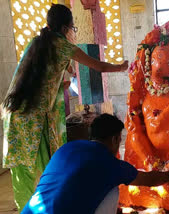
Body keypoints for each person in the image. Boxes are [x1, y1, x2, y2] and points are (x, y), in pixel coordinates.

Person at [1, 4, 128, 211]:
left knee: (27, 170)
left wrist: (61, 84)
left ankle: (31, 207)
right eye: (73, 28)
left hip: (17, 114)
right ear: (65, 28)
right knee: (42, 170)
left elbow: (34, 79)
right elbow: (99, 66)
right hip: (32, 118)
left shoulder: (37, 43)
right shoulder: (62, 45)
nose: (73, 32)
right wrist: (121, 67)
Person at [21, 113, 169, 214]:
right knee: (113, 190)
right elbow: (149, 179)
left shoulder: (66, 148)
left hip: (30, 210)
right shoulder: (111, 164)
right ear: (115, 139)